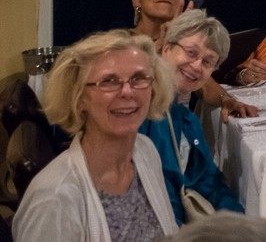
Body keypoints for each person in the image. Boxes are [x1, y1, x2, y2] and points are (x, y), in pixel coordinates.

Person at [13, 30, 179, 241]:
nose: (127, 91)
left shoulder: (145, 150)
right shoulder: (54, 199)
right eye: (109, 81)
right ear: (79, 97)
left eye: (138, 78)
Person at [139, 9, 244, 224]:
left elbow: (209, 182)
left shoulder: (187, 121)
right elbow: (156, 200)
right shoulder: (144, 111)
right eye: (191, 53)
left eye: (207, 62)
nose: (196, 66)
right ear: (167, 48)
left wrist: (242, 225)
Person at [130, 0, 256, 119]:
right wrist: (159, 46)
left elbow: (204, 86)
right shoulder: (122, 44)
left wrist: (228, 101)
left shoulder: (186, 41)